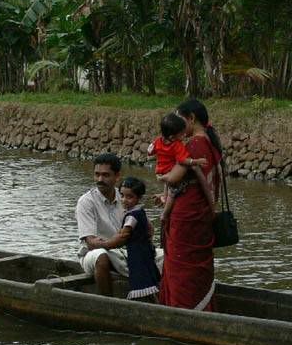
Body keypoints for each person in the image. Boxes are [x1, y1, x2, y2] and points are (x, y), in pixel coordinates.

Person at [157, 98, 223, 311]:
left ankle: (182, 312)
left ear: (191, 119)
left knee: (181, 270)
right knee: (194, 270)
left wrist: (161, 177)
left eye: (179, 119)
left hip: (187, 218)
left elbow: (175, 179)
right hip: (201, 215)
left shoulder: (194, 145)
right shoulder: (211, 144)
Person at [75, 153, 162, 296]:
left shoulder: (126, 196)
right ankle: (108, 303)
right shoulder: (86, 202)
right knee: (101, 256)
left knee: (165, 256)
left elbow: (147, 231)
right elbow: (90, 243)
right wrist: (115, 242)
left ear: (117, 176)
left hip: (124, 250)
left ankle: (163, 297)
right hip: (94, 253)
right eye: (97, 174)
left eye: (105, 175)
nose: (100, 179)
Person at [95, 176, 161, 302]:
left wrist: (103, 244)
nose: (124, 200)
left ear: (138, 198)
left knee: (140, 278)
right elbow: (150, 230)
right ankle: (157, 300)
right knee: (150, 275)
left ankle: (145, 302)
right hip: (146, 250)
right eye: (122, 196)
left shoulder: (132, 216)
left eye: (129, 197)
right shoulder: (140, 211)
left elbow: (124, 235)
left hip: (137, 253)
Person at [148, 113, 214, 224]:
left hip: (160, 171)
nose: (184, 137)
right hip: (169, 172)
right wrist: (195, 161)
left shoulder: (158, 141)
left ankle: (163, 196)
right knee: (172, 193)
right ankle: (165, 214)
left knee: (167, 187)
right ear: (172, 137)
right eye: (181, 135)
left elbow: (150, 151)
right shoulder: (177, 145)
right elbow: (183, 160)